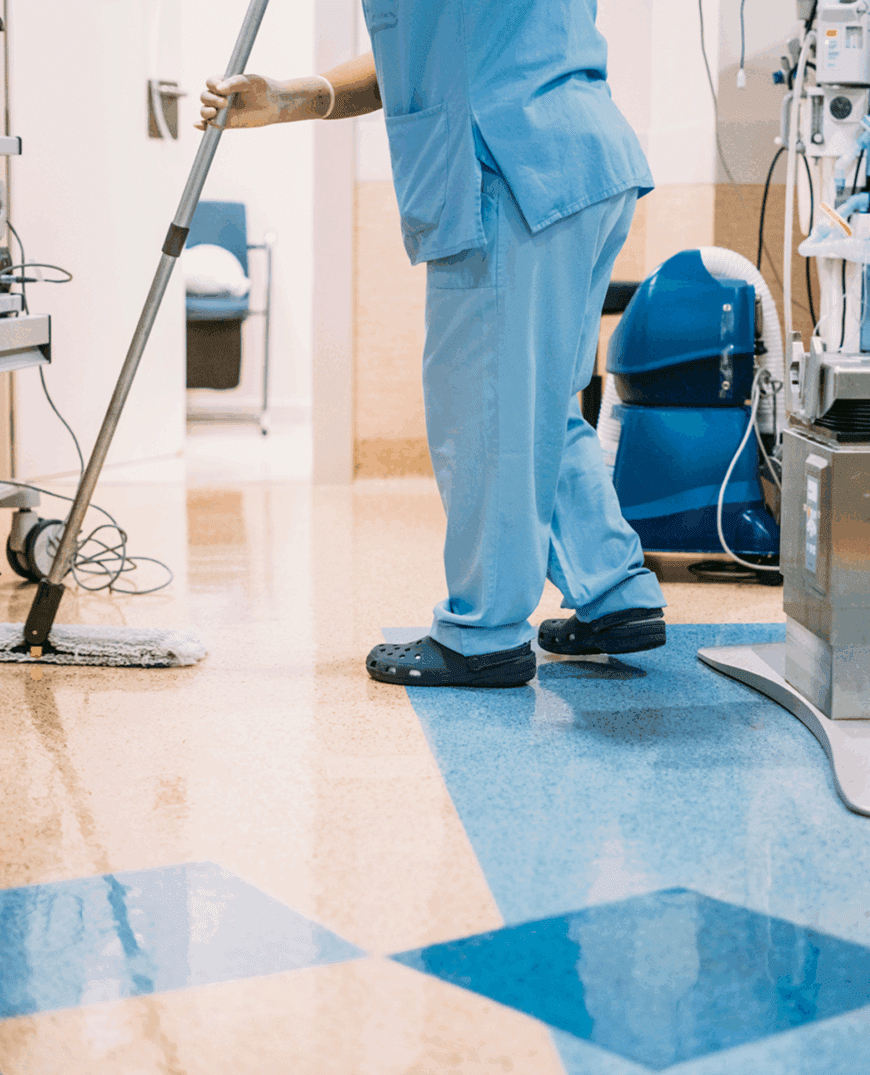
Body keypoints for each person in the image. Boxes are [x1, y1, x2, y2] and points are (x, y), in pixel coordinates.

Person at [199, 0, 667, 689]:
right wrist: (294, 96)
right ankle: (613, 591)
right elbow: (422, 57)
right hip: (576, 161)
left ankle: (483, 635)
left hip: (509, 168)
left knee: (486, 416)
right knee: (536, 407)